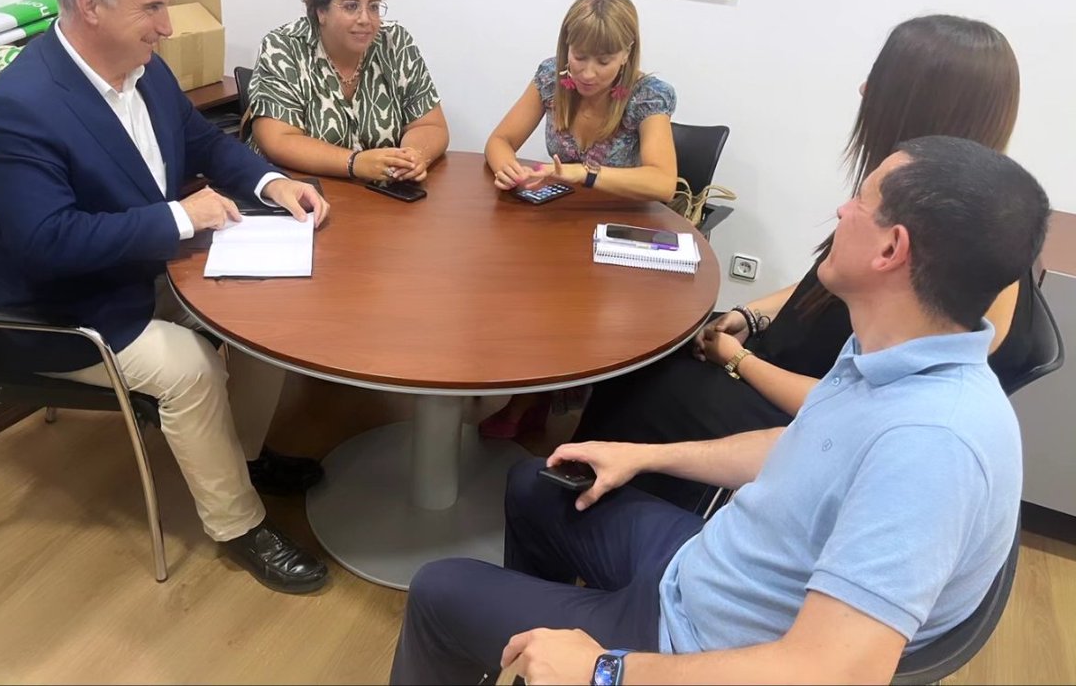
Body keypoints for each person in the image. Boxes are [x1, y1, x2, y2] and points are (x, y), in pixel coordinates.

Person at [390, 134, 1051, 685]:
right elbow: (799, 448)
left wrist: (605, 671)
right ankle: (535, 657)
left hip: (699, 641)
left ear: (890, 250)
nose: (842, 209)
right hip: (706, 565)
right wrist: (641, 455)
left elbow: (831, 673)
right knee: (536, 482)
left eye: (863, 200)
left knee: (439, 590)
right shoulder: (894, 353)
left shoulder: (933, 446)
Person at [0, 0, 331, 594]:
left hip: (149, 268)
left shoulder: (146, 69)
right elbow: (44, 243)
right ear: (90, 6)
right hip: (65, 307)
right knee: (192, 367)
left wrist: (270, 184)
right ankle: (239, 526)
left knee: (267, 323)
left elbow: (206, 145)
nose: (167, 27)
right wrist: (178, 218)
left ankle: (244, 457)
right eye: (152, 10)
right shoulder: (20, 105)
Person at [575, 14, 1026, 508]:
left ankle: (614, 519)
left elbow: (862, 411)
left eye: (880, 80)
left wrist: (739, 360)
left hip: (810, 420)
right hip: (778, 367)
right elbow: (820, 284)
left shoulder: (974, 269)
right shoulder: (899, 196)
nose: (862, 89)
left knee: (648, 394)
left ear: (921, 103)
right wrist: (750, 316)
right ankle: (588, 498)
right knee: (641, 365)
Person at [480, 0, 677, 438]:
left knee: (576, 310)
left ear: (628, 53)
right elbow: (499, 140)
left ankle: (554, 408)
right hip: (560, 224)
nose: (587, 72)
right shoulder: (552, 78)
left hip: (623, 232)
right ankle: (530, 393)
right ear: (565, 44)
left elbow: (662, 181)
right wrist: (506, 168)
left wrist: (581, 174)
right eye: (580, 55)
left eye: (604, 60)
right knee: (518, 294)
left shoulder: (649, 96)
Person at [243, 0, 449, 183]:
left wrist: (413, 157)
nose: (365, 19)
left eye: (373, 7)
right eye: (351, 7)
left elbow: (430, 124)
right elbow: (278, 140)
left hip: (374, 198)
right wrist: (355, 163)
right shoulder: (284, 46)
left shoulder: (395, 42)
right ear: (321, 11)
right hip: (294, 191)